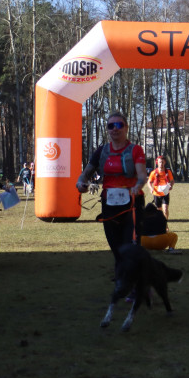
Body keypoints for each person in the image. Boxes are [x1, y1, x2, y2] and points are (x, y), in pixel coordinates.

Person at [76, 111, 147, 264]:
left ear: (126, 127)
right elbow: (85, 174)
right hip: (109, 205)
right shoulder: (101, 151)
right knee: (115, 247)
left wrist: (137, 186)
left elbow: (142, 175)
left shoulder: (136, 150)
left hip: (132, 205)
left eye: (119, 125)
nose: (115, 129)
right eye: (111, 126)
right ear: (107, 129)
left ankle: (134, 282)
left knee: (131, 247)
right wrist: (80, 184)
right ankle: (122, 278)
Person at [148, 155, 175, 219]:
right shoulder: (153, 172)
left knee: (165, 210)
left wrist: (171, 185)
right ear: (157, 163)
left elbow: (172, 181)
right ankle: (161, 225)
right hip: (156, 194)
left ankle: (165, 224)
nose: (161, 164)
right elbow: (149, 182)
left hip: (165, 193)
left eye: (162, 162)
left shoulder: (168, 172)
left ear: (165, 162)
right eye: (160, 162)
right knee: (159, 211)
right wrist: (151, 188)